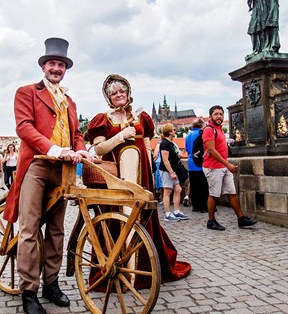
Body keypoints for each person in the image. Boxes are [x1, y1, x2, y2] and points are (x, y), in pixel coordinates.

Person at [2, 37, 93, 314]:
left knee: (56, 229)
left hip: (63, 169)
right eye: (52, 63)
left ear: (65, 68)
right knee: (30, 229)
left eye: (61, 64)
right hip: (38, 166)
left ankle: (50, 283)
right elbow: (24, 127)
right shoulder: (26, 92)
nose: (56, 68)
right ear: (43, 66)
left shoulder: (70, 101)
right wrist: (54, 148)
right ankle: (29, 291)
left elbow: (76, 134)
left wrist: (82, 150)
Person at [87, 74, 191, 287]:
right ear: (108, 97)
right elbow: (98, 149)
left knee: (141, 214)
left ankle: (142, 268)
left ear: (128, 93)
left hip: (142, 175)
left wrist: (152, 172)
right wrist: (120, 136)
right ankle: (118, 263)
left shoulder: (142, 117)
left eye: (121, 92)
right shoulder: (102, 119)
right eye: (114, 93)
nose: (118, 95)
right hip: (116, 177)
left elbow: (146, 145)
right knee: (118, 216)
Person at [203, 105, 257, 230]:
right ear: (211, 116)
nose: (219, 116)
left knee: (232, 192)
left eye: (221, 114)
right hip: (213, 167)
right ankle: (211, 221)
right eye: (216, 114)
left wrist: (226, 165)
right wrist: (227, 164)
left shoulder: (220, 129)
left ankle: (241, 218)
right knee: (214, 195)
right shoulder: (209, 130)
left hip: (223, 166)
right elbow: (211, 150)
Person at [158, 123, 190, 222]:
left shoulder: (171, 143)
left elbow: (177, 155)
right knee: (167, 191)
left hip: (174, 170)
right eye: (174, 129)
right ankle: (167, 214)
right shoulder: (164, 143)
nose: (175, 131)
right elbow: (165, 159)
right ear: (170, 132)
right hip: (167, 170)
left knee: (178, 189)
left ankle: (176, 211)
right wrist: (171, 172)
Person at [185, 118, 209, 212]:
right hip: (200, 163)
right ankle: (203, 206)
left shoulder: (188, 135)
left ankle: (195, 206)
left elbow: (187, 149)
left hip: (191, 163)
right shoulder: (201, 134)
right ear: (201, 125)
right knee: (203, 186)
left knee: (194, 186)